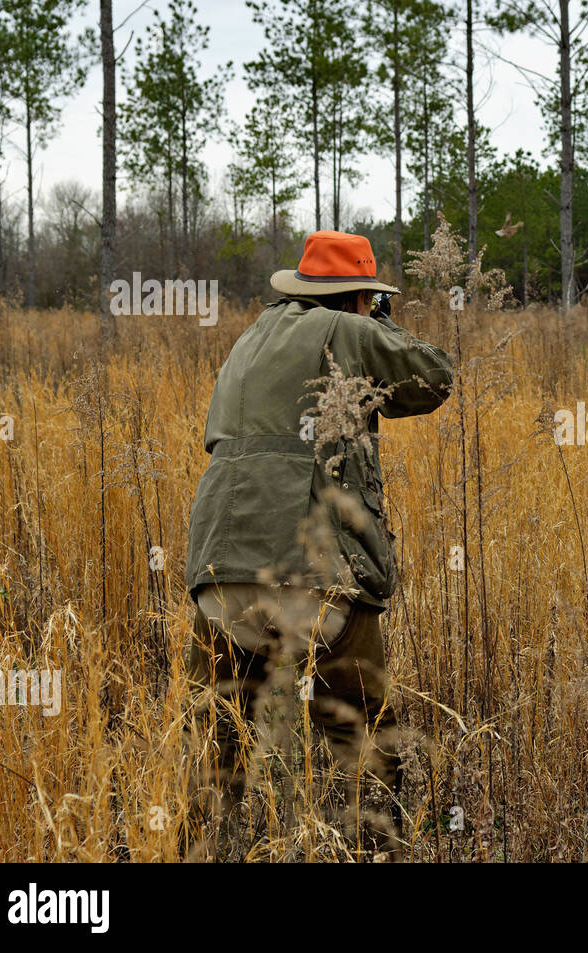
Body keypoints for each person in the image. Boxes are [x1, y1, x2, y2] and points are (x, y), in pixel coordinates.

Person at [182, 230, 453, 858]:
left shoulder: (249, 339)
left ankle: (198, 850)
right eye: (370, 299)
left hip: (221, 570)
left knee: (215, 745)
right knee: (363, 737)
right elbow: (434, 377)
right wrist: (383, 324)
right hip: (312, 571)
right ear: (357, 298)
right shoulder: (349, 330)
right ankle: (371, 848)